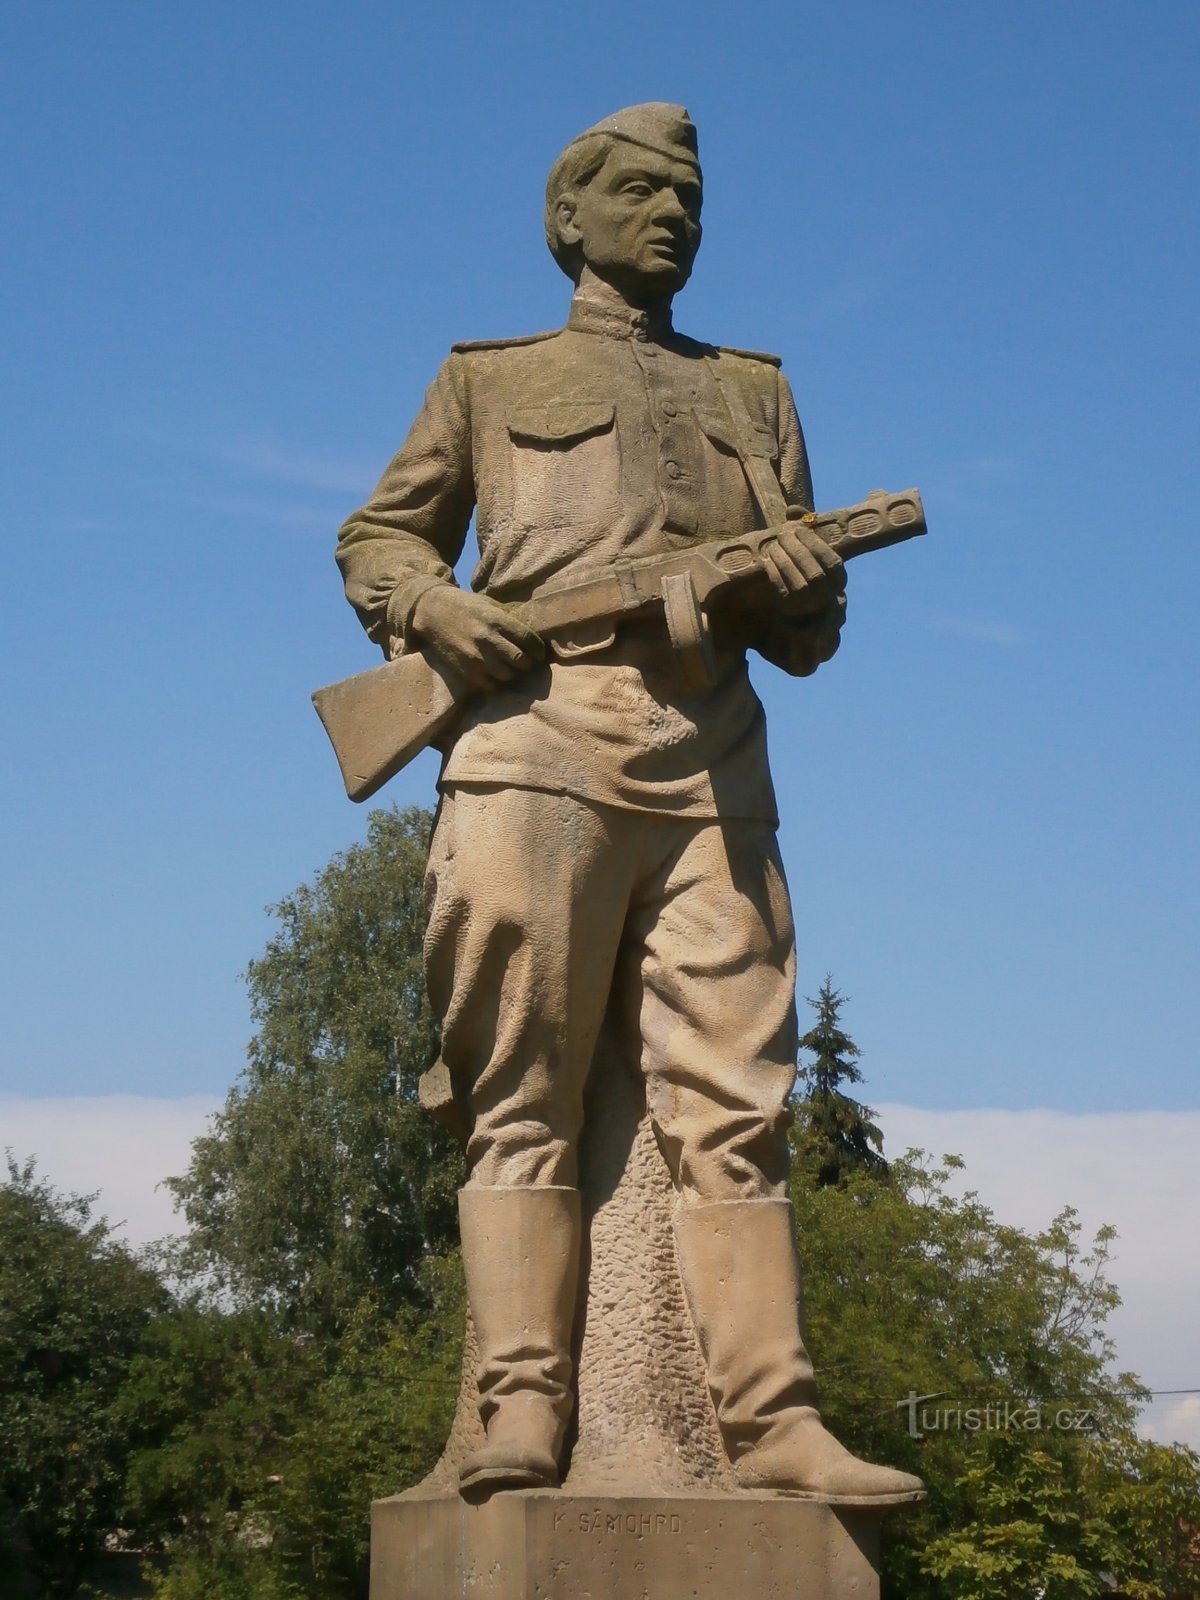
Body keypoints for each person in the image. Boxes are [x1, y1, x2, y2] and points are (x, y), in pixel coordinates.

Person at [335, 103, 922, 1504]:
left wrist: (804, 593)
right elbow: (379, 534)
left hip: (712, 756)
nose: (672, 217)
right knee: (516, 1095)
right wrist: (432, 610)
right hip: (532, 744)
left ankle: (772, 1425)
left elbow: (807, 638)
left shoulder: (756, 391)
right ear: (569, 223)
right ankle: (523, 1412)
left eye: (691, 202)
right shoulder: (490, 376)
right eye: (642, 194)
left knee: (737, 1097)